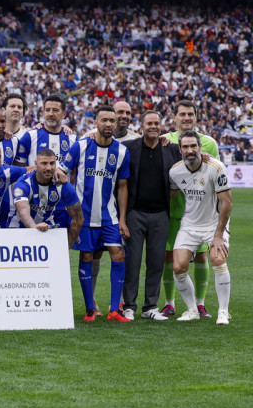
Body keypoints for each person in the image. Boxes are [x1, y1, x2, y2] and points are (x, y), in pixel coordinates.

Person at [61, 105, 131, 322]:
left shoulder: (121, 152)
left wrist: (122, 219)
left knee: (118, 254)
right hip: (84, 217)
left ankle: (113, 310)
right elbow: (62, 174)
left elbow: (122, 186)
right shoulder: (80, 146)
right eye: (104, 120)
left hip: (109, 217)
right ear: (95, 123)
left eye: (112, 120)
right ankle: (90, 309)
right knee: (87, 256)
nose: (109, 124)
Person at [160, 100, 220, 318]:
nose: (186, 118)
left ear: (196, 116)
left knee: (202, 257)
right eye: (182, 114)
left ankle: (200, 304)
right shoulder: (164, 141)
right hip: (174, 209)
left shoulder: (209, 143)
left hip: (202, 213)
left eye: (190, 114)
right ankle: (169, 303)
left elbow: (217, 176)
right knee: (170, 257)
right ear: (174, 117)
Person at [117, 110, 180, 321]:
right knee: (132, 263)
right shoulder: (129, 148)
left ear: (161, 126)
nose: (153, 126)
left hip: (161, 214)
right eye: (149, 123)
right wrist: (123, 218)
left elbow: (189, 164)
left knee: (156, 263)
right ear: (141, 126)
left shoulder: (171, 150)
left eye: (156, 123)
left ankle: (150, 306)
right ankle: (129, 306)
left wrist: (205, 156)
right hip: (135, 214)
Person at [168, 131, 233, 325]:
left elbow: (227, 203)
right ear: (180, 149)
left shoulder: (215, 167)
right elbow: (171, 194)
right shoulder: (175, 171)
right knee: (178, 266)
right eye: (185, 147)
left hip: (214, 223)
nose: (190, 150)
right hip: (190, 224)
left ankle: (223, 311)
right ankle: (192, 310)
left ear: (200, 147)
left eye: (193, 146)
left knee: (217, 258)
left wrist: (219, 235)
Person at [13, 148, 84, 246]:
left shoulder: (62, 184)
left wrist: (67, 246)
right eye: (44, 163)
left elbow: (78, 218)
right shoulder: (24, 183)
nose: (48, 168)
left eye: (52, 163)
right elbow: (24, 213)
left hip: (47, 230)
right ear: (36, 164)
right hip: (17, 230)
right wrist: (35, 228)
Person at [14, 95, 77, 166]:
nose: (51, 114)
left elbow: (74, 172)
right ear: (43, 112)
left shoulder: (73, 139)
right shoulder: (30, 136)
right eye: (47, 110)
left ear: (64, 114)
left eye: (55, 110)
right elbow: (19, 168)